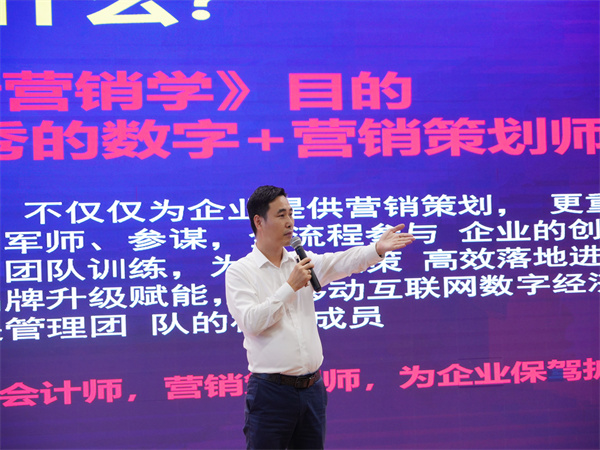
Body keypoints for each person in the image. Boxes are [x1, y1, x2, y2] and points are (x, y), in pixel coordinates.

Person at [225, 185, 415, 449]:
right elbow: (251, 322)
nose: (290, 222)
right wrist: (289, 287)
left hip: (312, 390)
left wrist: (376, 249)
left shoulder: (301, 261)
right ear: (259, 221)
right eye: (281, 215)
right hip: (270, 393)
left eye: (291, 213)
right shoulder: (240, 272)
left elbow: (342, 262)